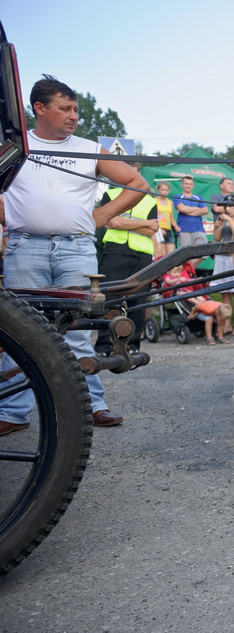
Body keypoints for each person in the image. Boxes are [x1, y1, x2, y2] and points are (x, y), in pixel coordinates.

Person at [0, 75, 147, 434]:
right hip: (24, 246)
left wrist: (102, 216)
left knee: (78, 330)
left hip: (76, 248)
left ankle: (91, 405)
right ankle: (12, 412)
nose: (73, 116)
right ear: (40, 109)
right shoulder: (15, 146)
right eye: (65, 108)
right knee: (18, 332)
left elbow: (138, 185)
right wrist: (13, 217)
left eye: (76, 109)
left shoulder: (89, 148)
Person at [94, 180, 158, 356]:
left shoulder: (151, 201)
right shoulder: (111, 195)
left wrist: (125, 221)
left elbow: (152, 230)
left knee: (138, 302)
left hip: (142, 256)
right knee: (110, 300)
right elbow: (112, 223)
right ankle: (104, 347)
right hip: (115, 252)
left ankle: (133, 346)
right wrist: (143, 223)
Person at [211, 181, 234, 336]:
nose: (227, 209)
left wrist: (231, 220)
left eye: (230, 206)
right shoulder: (225, 218)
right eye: (225, 206)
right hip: (222, 256)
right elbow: (216, 239)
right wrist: (217, 226)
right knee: (225, 292)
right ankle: (227, 324)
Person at [161, 265, 231, 345]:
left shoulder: (221, 307)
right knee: (209, 318)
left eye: (179, 272)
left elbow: (189, 280)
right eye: (175, 272)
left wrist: (196, 279)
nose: (177, 274)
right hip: (177, 293)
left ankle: (220, 336)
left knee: (196, 294)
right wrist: (191, 314)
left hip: (190, 294)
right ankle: (209, 338)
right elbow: (168, 282)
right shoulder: (168, 278)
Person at [172, 175, 209, 268]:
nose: (188, 185)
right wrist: (197, 209)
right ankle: (187, 274)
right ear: (182, 185)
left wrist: (187, 210)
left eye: (190, 184)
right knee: (184, 256)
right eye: (186, 184)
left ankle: (188, 271)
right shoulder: (177, 197)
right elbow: (181, 208)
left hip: (199, 229)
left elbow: (205, 210)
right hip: (184, 230)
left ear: (193, 186)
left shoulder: (198, 197)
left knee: (204, 253)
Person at [153, 181, 180, 257]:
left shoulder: (170, 202)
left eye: (166, 190)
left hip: (168, 230)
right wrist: (158, 228)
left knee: (171, 255)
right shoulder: (155, 201)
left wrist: (175, 226)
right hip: (159, 229)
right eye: (162, 190)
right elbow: (153, 216)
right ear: (158, 190)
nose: (164, 192)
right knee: (162, 255)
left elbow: (171, 218)